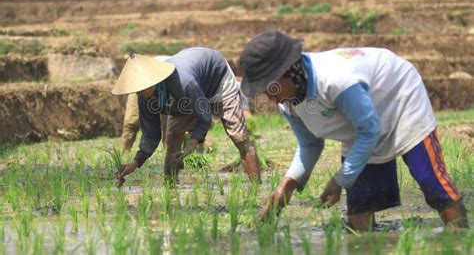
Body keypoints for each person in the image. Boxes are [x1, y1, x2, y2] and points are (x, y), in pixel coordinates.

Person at [239, 31, 468, 230]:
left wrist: (340, 180)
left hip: (398, 97)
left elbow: (370, 131)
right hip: (359, 123)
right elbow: (310, 144)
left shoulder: (336, 80)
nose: (268, 96)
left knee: (431, 181)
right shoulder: (288, 101)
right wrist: (288, 184)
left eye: (268, 86)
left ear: (287, 71)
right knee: (360, 211)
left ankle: (461, 240)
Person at [112, 48, 261, 182]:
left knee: (239, 137)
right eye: (136, 89)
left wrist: (194, 141)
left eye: (141, 88)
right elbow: (151, 135)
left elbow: (204, 117)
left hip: (216, 78)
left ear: (153, 80)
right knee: (173, 139)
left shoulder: (184, 83)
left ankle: (256, 189)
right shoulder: (144, 97)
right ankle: (170, 190)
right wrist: (136, 162)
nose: (139, 92)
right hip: (186, 93)